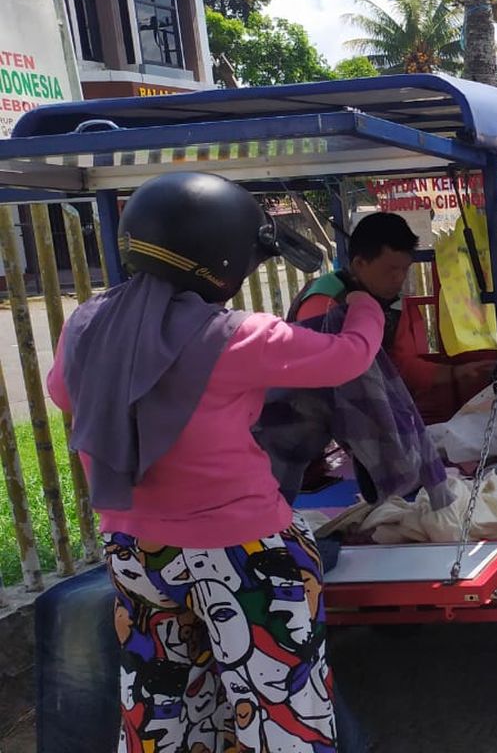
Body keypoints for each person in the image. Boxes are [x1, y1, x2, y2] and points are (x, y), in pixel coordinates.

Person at [46, 171, 385, 752]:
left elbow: (61, 394)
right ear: (221, 258)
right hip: (243, 553)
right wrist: (362, 301)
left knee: (163, 698)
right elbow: (347, 358)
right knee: (280, 705)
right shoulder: (234, 335)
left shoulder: (84, 324)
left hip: (135, 552)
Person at [290, 211, 493, 424]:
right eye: (390, 270)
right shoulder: (325, 300)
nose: (399, 278)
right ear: (360, 264)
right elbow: (320, 373)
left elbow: (403, 365)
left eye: (404, 270)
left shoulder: (394, 306)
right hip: (316, 417)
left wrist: (456, 373)